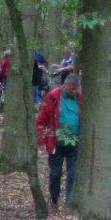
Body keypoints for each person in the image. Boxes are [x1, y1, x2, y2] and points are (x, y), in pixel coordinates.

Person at [37, 72, 82, 206]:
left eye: (76, 88)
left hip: (75, 142)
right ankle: (54, 199)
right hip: (56, 142)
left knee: (73, 174)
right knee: (55, 173)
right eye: (72, 88)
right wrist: (42, 139)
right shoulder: (53, 97)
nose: (74, 91)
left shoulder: (80, 98)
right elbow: (41, 120)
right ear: (65, 85)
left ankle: (69, 203)